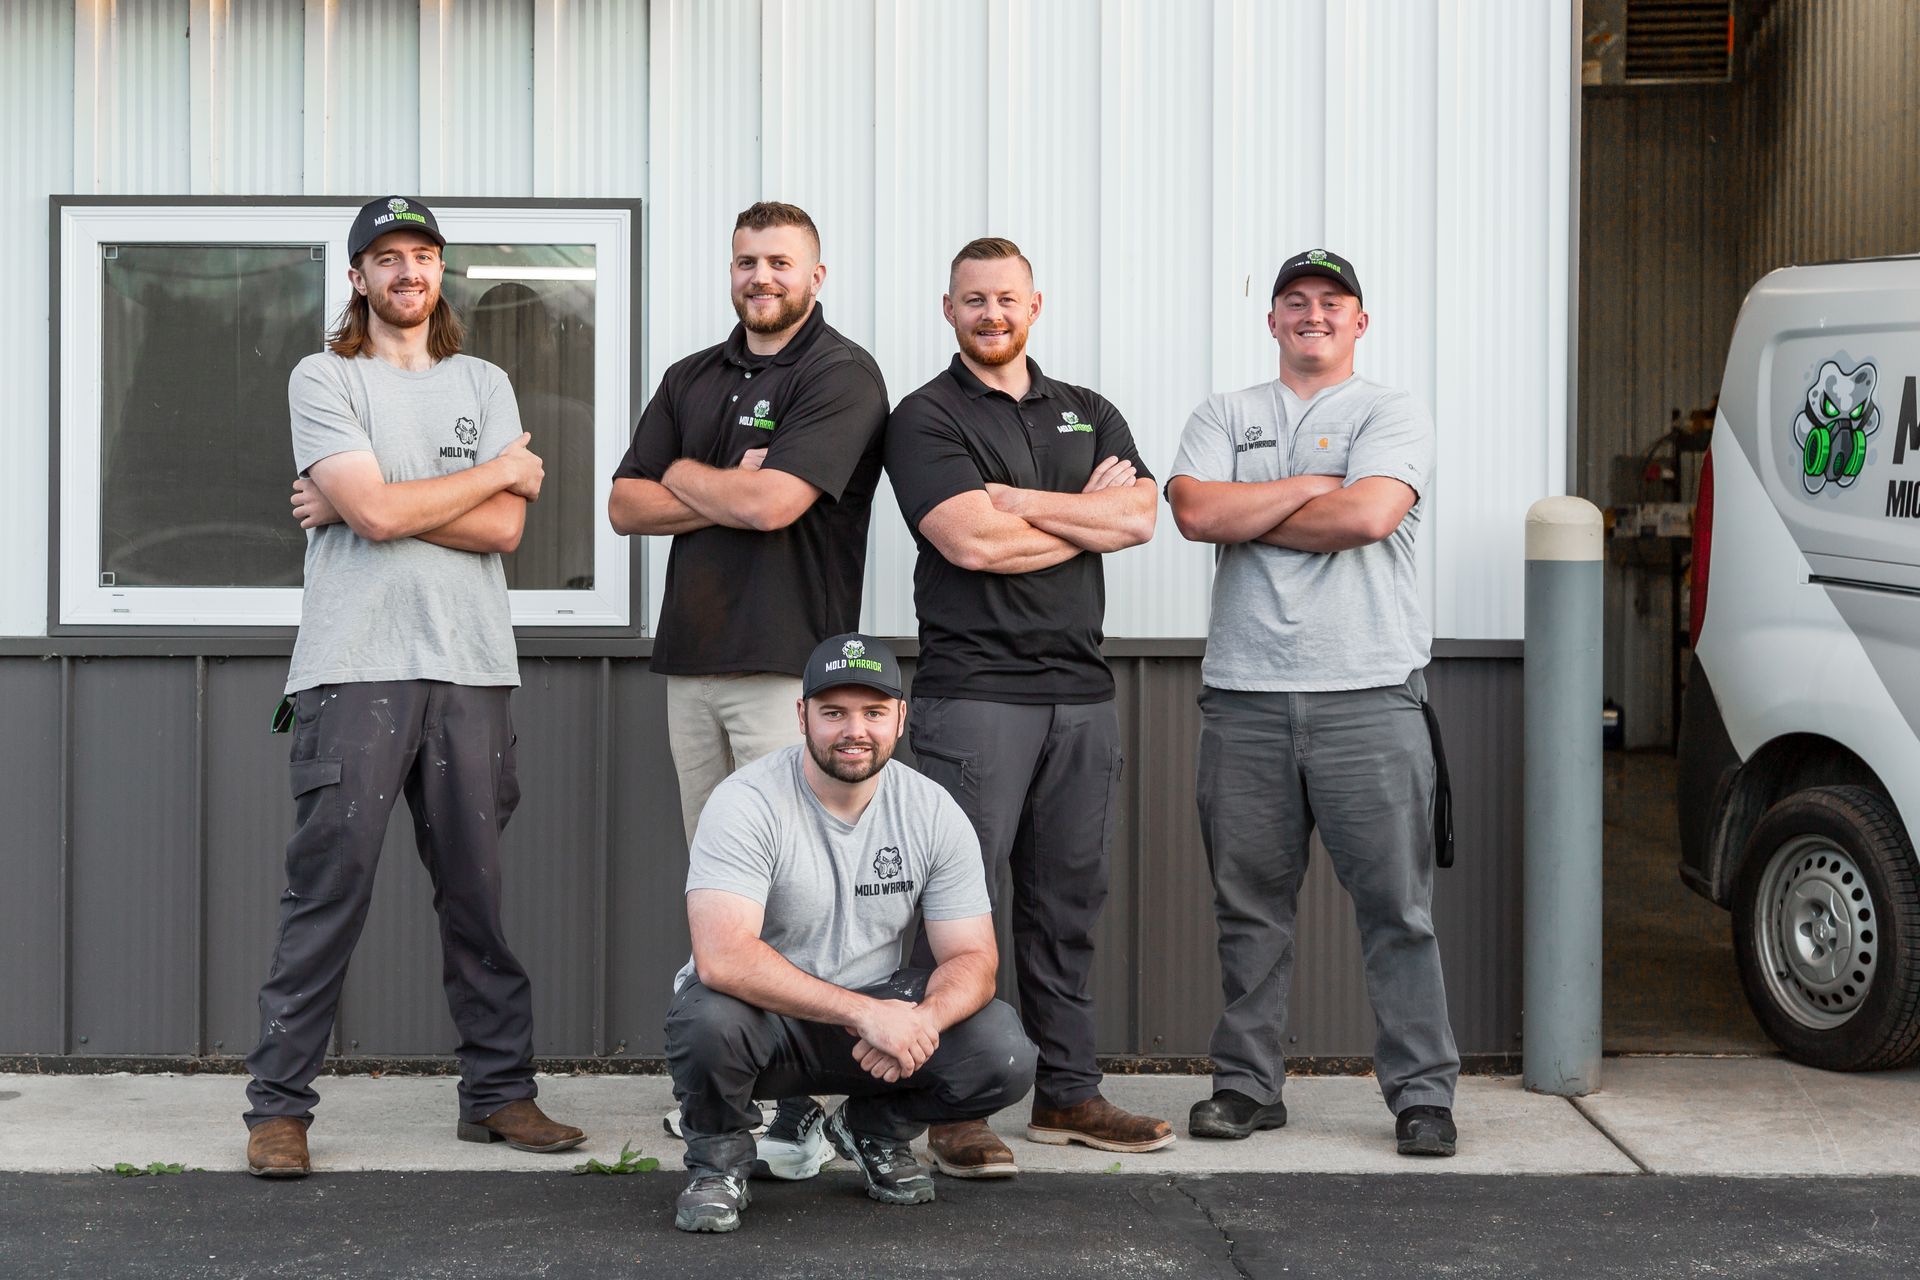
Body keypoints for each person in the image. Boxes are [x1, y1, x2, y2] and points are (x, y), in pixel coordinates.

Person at [242, 195, 584, 1177]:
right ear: (358, 276)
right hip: (354, 666)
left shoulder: (485, 379)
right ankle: (279, 1108)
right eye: (385, 257)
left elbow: (504, 533)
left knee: (477, 894)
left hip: (471, 666)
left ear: (440, 271)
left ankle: (501, 1092)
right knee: (327, 890)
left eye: (422, 255)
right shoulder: (324, 375)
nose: (406, 272)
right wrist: (483, 477)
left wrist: (378, 500)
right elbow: (383, 514)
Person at [608, 201, 891, 1176]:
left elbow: (776, 505)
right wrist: (713, 476)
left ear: (817, 271)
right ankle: (729, 1080)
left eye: (778, 260)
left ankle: (808, 1098)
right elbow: (622, 501)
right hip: (692, 664)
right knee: (724, 889)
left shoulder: (841, 372)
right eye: (745, 260)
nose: (759, 275)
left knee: (802, 892)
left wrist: (684, 475)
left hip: (788, 670)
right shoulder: (692, 375)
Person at [882, 238, 1170, 1179]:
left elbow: (1137, 518)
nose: (991, 314)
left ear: (1035, 305)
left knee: (1067, 903)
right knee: (955, 908)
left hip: (1082, 696)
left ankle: (1068, 1093)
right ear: (949, 308)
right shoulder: (923, 417)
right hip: (974, 697)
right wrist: (1070, 515)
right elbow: (972, 546)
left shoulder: (1089, 410)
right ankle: (955, 1106)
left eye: (1007, 298)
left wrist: (1020, 501)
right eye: (974, 300)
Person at [1165, 248, 1461, 1157]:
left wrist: (1248, 506)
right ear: (1273, 320)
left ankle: (1421, 1094)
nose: (1314, 314)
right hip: (1245, 702)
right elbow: (1192, 514)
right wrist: (1304, 489)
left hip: (1368, 698)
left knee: (1396, 911)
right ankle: (1249, 1086)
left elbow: (1368, 517)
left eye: (1333, 302)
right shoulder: (1225, 412)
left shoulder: (1389, 410)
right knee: (1249, 909)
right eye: (1296, 301)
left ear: (1359, 322)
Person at [665, 633, 1037, 1233]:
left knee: (1003, 1048)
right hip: (768, 1023)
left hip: (875, 1034)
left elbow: (972, 956)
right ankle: (718, 1164)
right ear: (802, 715)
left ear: (900, 718)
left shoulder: (932, 810)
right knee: (708, 1018)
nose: (853, 730)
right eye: (833, 712)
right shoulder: (746, 801)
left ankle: (871, 1131)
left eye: (872, 712)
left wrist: (923, 1020)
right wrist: (866, 1013)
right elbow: (723, 956)